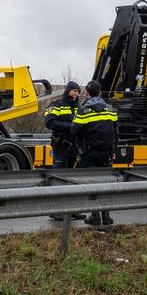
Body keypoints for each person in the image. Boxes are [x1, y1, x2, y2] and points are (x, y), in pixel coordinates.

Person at [72, 80, 119, 225]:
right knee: (105, 184)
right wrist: (113, 150)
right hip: (106, 152)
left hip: (89, 153)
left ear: (87, 93)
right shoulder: (111, 110)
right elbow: (116, 132)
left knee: (92, 184)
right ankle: (106, 215)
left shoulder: (83, 111)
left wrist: (79, 148)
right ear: (100, 93)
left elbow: (74, 131)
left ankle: (95, 216)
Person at [44, 80, 86, 220]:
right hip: (61, 146)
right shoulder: (57, 105)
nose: (76, 93)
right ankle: (56, 210)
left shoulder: (78, 107)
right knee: (59, 178)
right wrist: (70, 126)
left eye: (78, 91)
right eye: (74, 90)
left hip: (74, 147)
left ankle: (71, 210)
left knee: (72, 179)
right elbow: (49, 122)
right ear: (68, 90)